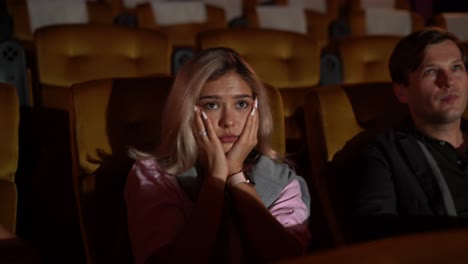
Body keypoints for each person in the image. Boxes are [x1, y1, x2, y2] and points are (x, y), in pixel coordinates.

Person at [125, 47, 311, 264]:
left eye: (241, 104)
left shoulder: (281, 177)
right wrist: (216, 178)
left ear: (256, 111)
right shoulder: (154, 175)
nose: (228, 121)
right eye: (211, 105)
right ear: (186, 111)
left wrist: (236, 175)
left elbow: (289, 257)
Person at [333, 27, 468, 242]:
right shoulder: (382, 154)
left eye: (456, 67)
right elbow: (376, 235)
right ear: (401, 92)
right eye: (431, 71)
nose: (449, 81)